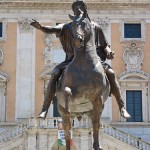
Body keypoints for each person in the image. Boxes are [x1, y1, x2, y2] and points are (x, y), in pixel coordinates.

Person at [30, 0, 131, 119]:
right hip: (72, 60)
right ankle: (45, 109)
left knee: (111, 73)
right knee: (54, 73)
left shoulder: (95, 26)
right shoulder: (68, 26)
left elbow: (104, 45)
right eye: (75, 8)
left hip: (94, 60)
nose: (77, 9)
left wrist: (109, 52)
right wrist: (41, 27)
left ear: (85, 9)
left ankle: (122, 107)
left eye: (80, 7)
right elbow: (53, 29)